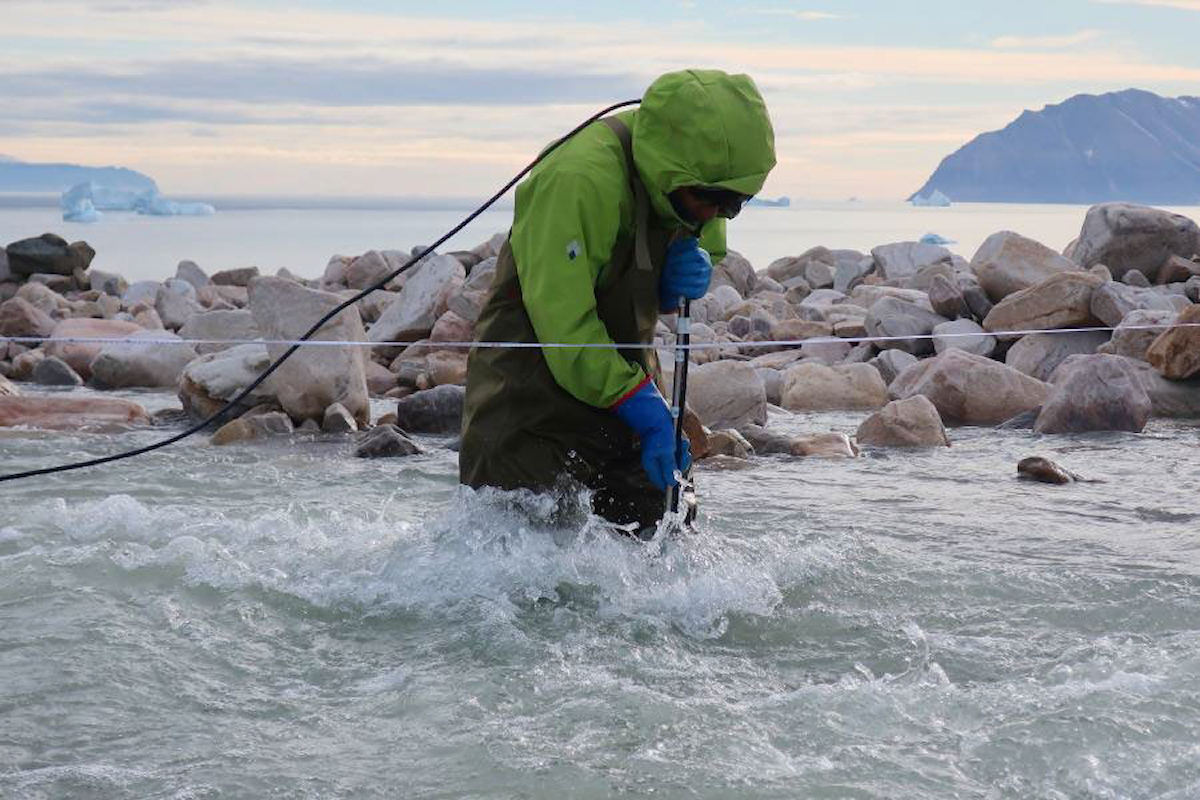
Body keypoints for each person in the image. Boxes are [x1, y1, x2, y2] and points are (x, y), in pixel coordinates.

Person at [459, 69, 776, 531]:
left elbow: (689, 246)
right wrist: (640, 406)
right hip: (529, 393)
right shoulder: (577, 181)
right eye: (710, 200)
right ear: (669, 171)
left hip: (627, 382)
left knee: (666, 533)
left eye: (734, 204)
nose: (716, 214)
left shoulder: (703, 183)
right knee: (521, 562)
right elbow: (564, 324)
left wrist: (677, 281)